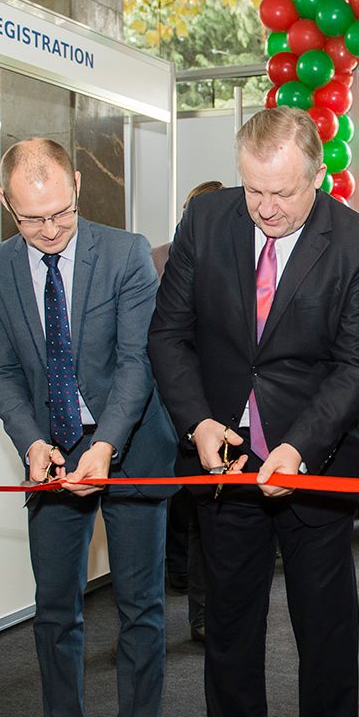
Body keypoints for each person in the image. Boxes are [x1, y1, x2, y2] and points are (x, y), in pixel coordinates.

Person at [148, 107, 359, 717]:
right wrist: (197, 422)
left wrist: (301, 447)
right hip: (224, 459)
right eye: (255, 190)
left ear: (318, 176)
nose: (267, 207)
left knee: (325, 626)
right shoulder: (205, 222)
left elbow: (358, 367)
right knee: (228, 621)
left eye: (283, 192)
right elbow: (169, 335)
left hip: (316, 465)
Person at [0, 138, 176, 717]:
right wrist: (31, 440)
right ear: (5, 202)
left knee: (139, 604)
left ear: (79, 186)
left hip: (131, 442)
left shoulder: (125, 253)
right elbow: (1, 369)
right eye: (32, 218)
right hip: (52, 450)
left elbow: (136, 363)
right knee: (55, 605)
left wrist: (107, 443)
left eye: (61, 212)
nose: (51, 229)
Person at [155, 180, 224, 643]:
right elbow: (165, 338)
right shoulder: (161, 259)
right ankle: (200, 614)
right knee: (197, 517)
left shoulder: (239, 263)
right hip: (186, 408)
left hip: (229, 412)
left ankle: (213, 613)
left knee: (216, 522)